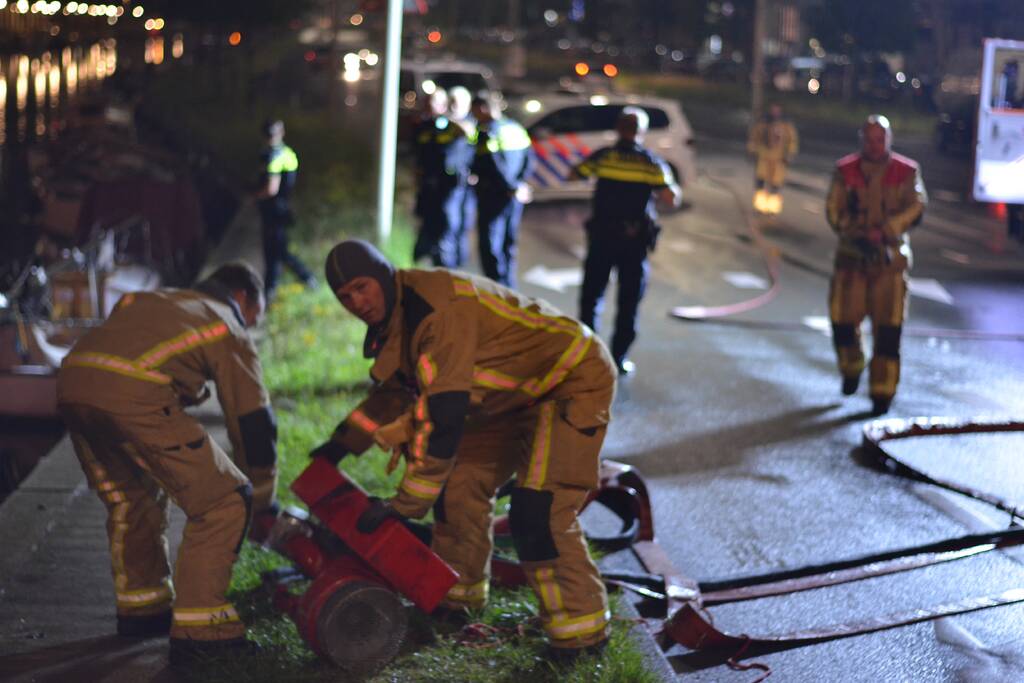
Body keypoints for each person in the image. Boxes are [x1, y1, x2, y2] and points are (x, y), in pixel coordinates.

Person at [311, 239, 617, 661]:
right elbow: (395, 396)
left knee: (538, 511)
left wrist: (404, 505)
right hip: (509, 395)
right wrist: (339, 447)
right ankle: (458, 602)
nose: (357, 303)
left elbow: (443, 419)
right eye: (346, 297)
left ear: (383, 275)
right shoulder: (398, 319)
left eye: (362, 288)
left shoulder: (436, 310)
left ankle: (583, 637)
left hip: (569, 380)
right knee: (458, 485)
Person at [57, 263, 279, 665]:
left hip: (72, 382)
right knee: (225, 500)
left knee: (132, 498)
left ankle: (143, 609)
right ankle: (203, 629)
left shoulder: (156, 300)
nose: (249, 324)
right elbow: (252, 420)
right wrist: (262, 495)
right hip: (132, 389)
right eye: (254, 317)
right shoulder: (224, 320)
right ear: (243, 298)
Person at [826, 115, 927, 415]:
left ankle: (882, 393)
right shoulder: (845, 171)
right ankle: (852, 367)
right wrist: (856, 230)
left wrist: (889, 229)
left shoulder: (906, 171)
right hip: (851, 261)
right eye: (869, 139)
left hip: (890, 266)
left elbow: (917, 205)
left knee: (888, 332)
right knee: (843, 323)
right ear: (861, 139)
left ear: (889, 140)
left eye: (880, 139)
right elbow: (834, 210)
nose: (874, 145)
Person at [571, 107, 682, 376]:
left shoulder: (604, 157)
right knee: (629, 302)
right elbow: (671, 198)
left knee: (591, 297)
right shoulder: (651, 163)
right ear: (641, 132)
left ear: (618, 129)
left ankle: (587, 355)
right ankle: (618, 359)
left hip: (602, 237)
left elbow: (575, 174)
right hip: (634, 243)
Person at [469, 96, 533, 287]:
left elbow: (492, 163)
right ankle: (509, 285)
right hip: (513, 196)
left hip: (494, 194)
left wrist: (510, 186)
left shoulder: (487, 132)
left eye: (474, 111)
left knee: (490, 242)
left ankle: (495, 286)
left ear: (483, 108)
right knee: (508, 241)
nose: (474, 116)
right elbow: (530, 158)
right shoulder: (516, 128)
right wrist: (519, 184)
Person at [257, 119, 317, 300]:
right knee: (276, 250)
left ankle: (305, 278)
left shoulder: (272, 156)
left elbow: (271, 188)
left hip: (273, 210)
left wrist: (254, 197)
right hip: (283, 208)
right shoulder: (288, 153)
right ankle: (271, 289)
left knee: (276, 250)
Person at [411, 88, 471, 268]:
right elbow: (419, 153)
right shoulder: (425, 126)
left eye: (434, 103)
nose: (429, 107)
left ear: (444, 105)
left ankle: (449, 266)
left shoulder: (454, 125)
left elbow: (468, 133)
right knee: (429, 223)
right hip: (428, 185)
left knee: (448, 226)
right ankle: (431, 259)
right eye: (427, 102)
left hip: (451, 186)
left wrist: (448, 117)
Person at [747, 103, 798, 215]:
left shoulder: (786, 126)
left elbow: (792, 141)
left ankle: (772, 208)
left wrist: (790, 154)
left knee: (776, 183)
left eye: (777, 109)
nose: (775, 112)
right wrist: (752, 150)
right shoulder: (762, 123)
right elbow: (754, 137)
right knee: (760, 180)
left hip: (779, 159)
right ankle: (760, 206)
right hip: (763, 156)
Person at [446, 85, 477, 268]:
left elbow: (471, 136)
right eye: (452, 103)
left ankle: (460, 263)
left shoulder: (471, 123)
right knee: (451, 223)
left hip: (467, 183)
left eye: (457, 103)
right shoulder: (444, 124)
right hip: (449, 183)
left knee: (464, 224)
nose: (454, 107)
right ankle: (449, 265)